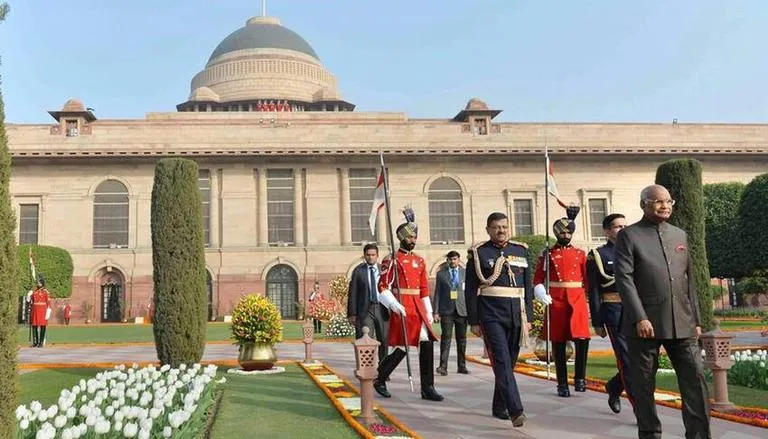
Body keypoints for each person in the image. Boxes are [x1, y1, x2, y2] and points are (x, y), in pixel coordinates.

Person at [615, 184, 711, 439]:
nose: (665, 205)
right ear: (643, 204)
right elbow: (624, 279)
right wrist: (639, 317)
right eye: (658, 201)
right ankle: (650, 434)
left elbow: (689, 280)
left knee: (696, 380)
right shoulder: (630, 236)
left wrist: (697, 320)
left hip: (683, 322)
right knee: (644, 385)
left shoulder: (680, 235)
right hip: (645, 325)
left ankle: (699, 435)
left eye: (669, 201)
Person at [466, 212, 533, 428]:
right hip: (491, 314)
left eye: (504, 226)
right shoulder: (478, 253)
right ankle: (516, 410)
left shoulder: (520, 251)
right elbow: (471, 290)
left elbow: (528, 288)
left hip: (516, 313)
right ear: (488, 230)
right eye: (496, 227)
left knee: (509, 363)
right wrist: (474, 321)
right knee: (502, 361)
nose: (501, 230)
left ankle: (498, 405)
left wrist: (529, 317)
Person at [373, 207, 443, 402]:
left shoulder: (419, 261)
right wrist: (394, 305)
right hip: (402, 306)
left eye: (414, 237)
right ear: (401, 237)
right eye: (410, 237)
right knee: (404, 347)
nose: (413, 240)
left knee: (426, 343)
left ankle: (428, 387)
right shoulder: (391, 260)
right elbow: (382, 286)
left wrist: (428, 310)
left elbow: (423, 289)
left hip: (418, 307)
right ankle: (380, 377)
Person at [533, 206, 591, 397]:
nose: (566, 234)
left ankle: (580, 378)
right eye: (562, 232)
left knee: (582, 338)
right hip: (556, 298)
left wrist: (590, 300)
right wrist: (540, 291)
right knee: (558, 342)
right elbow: (538, 277)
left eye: (569, 232)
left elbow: (587, 279)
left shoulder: (581, 254)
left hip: (577, 296)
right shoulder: (547, 254)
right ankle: (562, 383)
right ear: (556, 233)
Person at [587, 213, 635, 414]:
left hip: (637, 310)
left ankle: (614, 386)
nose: (623, 229)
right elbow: (594, 291)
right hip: (614, 311)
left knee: (649, 361)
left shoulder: (636, 250)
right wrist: (597, 321)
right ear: (607, 231)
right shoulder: (598, 255)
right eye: (617, 226)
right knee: (627, 361)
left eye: (625, 225)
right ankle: (642, 411)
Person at [347, 243, 389, 363]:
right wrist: (352, 314)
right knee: (365, 339)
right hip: (366, 310)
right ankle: (367, 367)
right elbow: (353, 293)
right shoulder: (358, 271)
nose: (371, 257)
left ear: (377, 256)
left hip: (382, 309)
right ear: (364, 256)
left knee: (384, 340)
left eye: (373, 255)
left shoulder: (384, 270)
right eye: (368, 255)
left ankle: (383, 370)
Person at [433, 250, 469, 375]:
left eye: (455, 259)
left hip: (462, 310)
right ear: (447, 260)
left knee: (462, 339)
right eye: (451, 259)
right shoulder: (441, 274)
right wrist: (436, 312)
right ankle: (443, 366)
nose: (453, 261)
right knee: (446, 338)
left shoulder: (465, 273)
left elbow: (470, 293)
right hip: (446, 310)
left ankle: (462, 365)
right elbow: (437, 293)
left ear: (459, 260)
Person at [30, 277, 52, 348]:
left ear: (42, 284)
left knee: (42, 325)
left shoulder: (45, 292)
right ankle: (35, 342)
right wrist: (29, 295)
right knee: (34, 325)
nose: (38, 284)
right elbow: (31, 301)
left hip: (42, 310)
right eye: (38, 283)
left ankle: (41, 342)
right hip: (35, 310)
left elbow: (48, 302)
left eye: (39, 283)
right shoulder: (34, 291)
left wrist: (48, 311)